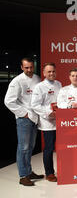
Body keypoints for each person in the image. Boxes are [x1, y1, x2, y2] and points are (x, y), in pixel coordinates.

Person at [4, 58, 43, 186]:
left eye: (31, 67)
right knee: (23, 147)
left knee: (30, 147)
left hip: (34, 117)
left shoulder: (37, 78)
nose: (29, 70)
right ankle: (23, 176)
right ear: (21, 67)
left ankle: (29, 171)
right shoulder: (17, 81)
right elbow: (9, 101)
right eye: (26, 67)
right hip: (24, 119)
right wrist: (24, 114)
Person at [31, 63, 62, 182]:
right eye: (49, 72)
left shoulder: (59, 84)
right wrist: (48, 113)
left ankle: (65, 169)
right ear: (44, 73)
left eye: (53, 71)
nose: (51, 73)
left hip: (60, 121)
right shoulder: (39, 87)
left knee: (62, 148)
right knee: (49, 148)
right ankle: (49, 173)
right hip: (47, 122)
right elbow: (35, 105)